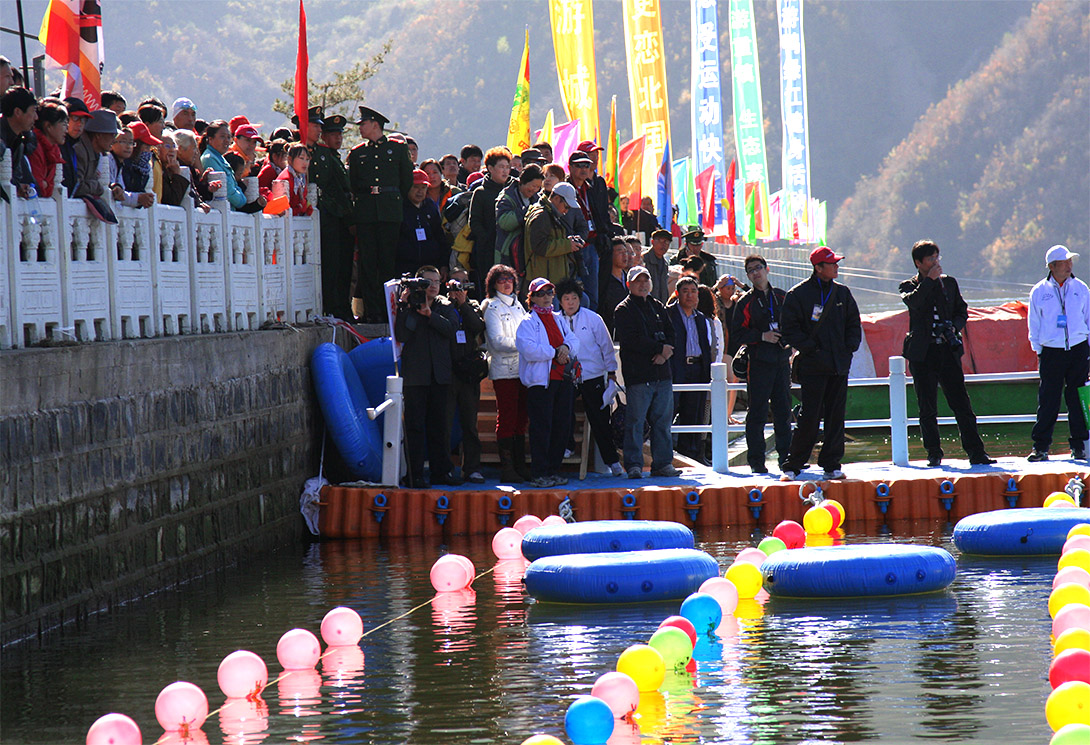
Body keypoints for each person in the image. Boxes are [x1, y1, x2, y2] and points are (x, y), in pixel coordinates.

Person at [900, 240, 996, 466]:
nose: (936, 262)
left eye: (937, 257)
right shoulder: (908, 286)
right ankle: (934, 453)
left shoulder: (950, 283)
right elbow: (914, 303)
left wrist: (953, 327)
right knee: (927, 406)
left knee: (961, 403)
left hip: (947, 351)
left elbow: (962, 310)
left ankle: (976, 452)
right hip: (923, 354)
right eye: (931, 259)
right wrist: (930, 281)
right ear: (918, 262)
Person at [779, 246, 862, 481]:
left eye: (836, 262)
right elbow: (789, 330)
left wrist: (848, 348)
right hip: (813, 366)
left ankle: (831, 464)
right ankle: (793, 465)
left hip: (838, 366)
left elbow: (854, 325)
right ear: (818, 268)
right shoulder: (798, 295)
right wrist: (811, 348)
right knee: (810, 417)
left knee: (836, 416)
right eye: (832, 263)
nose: (836, 266)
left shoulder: (843, 293)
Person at [394, 265, 462, 487]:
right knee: (414, 427)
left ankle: (440, 472)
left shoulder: (445, 305)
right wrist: (406, 307)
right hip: (415, 376)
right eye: (427, 282)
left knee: (439, 426)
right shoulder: (409, 305)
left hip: (439, 376)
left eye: (436, 282)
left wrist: (430, 315)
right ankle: (414, 474)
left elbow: (451, 329)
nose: (432, 286)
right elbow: (402, 334)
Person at [348, 105, 413, 323]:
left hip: (389, 211)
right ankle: (372, 311)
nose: (360, 128)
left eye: (363, 124)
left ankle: (388, 311)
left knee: (387, 263)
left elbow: (406, 181)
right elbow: (355, 184)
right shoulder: (358, 154)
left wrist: (391, 201)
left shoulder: (397, 149)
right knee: (368, 263)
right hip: (366, 212)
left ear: (375, 124)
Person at [614, 265, 680, 479]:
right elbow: (631, 339)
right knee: (635, 422)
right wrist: (659, 348)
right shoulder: (623, 309)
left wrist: (665, 353)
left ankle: (662, 464)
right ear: (629, 284)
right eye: (637, 281)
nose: (642, 284)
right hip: (639, 376)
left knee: (662, 422)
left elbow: (672, 334)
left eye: (645, 280)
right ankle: (633, 465)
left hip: (663, 374)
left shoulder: (658, 306)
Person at [556, 277, 625, 476]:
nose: (570, 302)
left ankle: (613, 462)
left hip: (592, 375)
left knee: (601, 420)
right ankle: (566, 447)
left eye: (574, 298)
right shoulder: (554, 320)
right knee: (563, 412)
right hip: (565, 376)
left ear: (580, 299)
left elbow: (607, 347)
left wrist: (611, 376)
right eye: (566, 298)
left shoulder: (593, 318)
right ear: (560, 301)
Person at [1027, 244, 1090, 461]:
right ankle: (1041, 447)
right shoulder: (1039, 291)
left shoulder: (1081, 288)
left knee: (1077, 399)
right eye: (1065, 261)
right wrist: (1039, 351)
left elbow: (1088, 318)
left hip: (1078, 348)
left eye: (1070, 261)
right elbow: (1033, 324)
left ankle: (1079, 445)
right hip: (1051, 351)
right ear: (1052, 266)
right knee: (1048, 400)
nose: (1070, 265)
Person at [731, 254, 793, 474]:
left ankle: (787, 459)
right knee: (756, 413)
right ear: (747, 275)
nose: (755, 272)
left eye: (758, 268)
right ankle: (756, 462)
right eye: (750, 270)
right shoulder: (746, 302)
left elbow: (795, 325)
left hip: (782, 361)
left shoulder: (783, 297)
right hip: (758, 363)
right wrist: (762, 336)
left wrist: (788, 341)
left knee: (784, 411)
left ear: (767, 269)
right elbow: (737, 334)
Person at [516, 277, 581, 487]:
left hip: (562, 379)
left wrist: (566, 349)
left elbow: (573, 340)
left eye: (549, 293)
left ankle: (553, 470)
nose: (546, 297)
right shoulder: (527, 322)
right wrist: (555, 352)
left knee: (561, 427)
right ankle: (539, 473)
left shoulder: (558, 318)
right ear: (532, 298)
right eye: (541, 294)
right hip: (540, 383)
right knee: (541, 428)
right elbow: (528, 349)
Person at [482, 264, 531, 482]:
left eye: (509, 279)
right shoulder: (491, 307)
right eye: (501, 280)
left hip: (523, 370)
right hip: (503, 371)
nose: (506, 283)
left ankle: (520, 466)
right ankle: (508, 468)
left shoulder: (520, 307)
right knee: (508, 418)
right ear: (493, 285)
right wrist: (527, 345)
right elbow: (497, 341)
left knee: (521, 419)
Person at [308, 114, 356, 321]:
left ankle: (341, 306)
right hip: (328, 216)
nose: (338, 138)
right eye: (332, 134)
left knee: (341, 266)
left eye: (340, 134)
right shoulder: (317, 154)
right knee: (330, 265)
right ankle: (333, 306)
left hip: (339, 216)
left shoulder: (330, 156)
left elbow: (344, 190)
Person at [667, 276, 713, 464]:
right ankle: (666, 455)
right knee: (669, 410)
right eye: (685, 291)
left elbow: (707, 347)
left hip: (697, 369)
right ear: (677, 294)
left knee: (693, 414)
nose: (690, 295)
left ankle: (690, 456)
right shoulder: (667, 314)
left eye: (693, 291)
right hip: (675, 369)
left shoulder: (701, 319)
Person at [446, 274, 486, 483]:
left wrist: (463, 304)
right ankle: (445, 467)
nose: (457, 287)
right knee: (444, 422)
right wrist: (451, 300)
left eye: (461, 283)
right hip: (448, 370)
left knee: (470, 423)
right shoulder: (441, 304)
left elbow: (478, 328)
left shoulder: (473, 306)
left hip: (468, 372)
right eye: (453, 282)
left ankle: (472, 467)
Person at [468, 146, 511, 293]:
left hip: (509, 249)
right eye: (501, 167)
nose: (505, 171)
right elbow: (474, 222)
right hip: (487, 251)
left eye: (507, 167)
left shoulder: (513, 191)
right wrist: (486, 238)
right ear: (490, 168)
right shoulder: (480, 193)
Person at [525, 181, 582, 287]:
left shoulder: (550, 213)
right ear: (556, 199)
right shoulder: (542, 216)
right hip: (543, 283)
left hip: (551, 279)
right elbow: (540, 247)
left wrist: (569, 242)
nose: (567, 211)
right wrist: (568, 245)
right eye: (566, 206)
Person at [495, 163, 543, 284]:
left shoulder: (537, 199)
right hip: (508, 254)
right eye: (532, 186)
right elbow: (504, 222)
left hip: (528, 255)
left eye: (538, 187)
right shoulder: (506, 197)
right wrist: (527, 212)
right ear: (522, 181)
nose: (534, 190)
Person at [394, 168, 446, 276]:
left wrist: (443, 264)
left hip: (431, 265)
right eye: (416, 187)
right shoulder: (399, 208)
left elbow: (440, 236)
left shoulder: (430, 206)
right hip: (405, 266)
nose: (420, 191)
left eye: (423, 187)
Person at [71, 109, 118, 200]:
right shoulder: (80, 151)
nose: (114, 140)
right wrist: (97, 186)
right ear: (98, 135)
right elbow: (77, 187)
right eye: (112, 135)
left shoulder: (96, 153)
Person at [1, 86, 37, 196]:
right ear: (17, 112)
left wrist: (18, 187)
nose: (36, 117)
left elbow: (15, 176)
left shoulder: (19, 142)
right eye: (33, 111)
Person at [28, 97, 67, 198]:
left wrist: (46, 184)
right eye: (63, 124)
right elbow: (39, 187)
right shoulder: (35, 147)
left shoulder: (54, 152)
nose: (66, 130)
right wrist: (44, 184)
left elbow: (49, 190)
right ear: (48, 126)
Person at [600, 236, 630, 334]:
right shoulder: (603, 282)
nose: (624, 255)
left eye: (625, 252)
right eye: (620, 252)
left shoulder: (631, 279)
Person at [274, 143, 313, 216]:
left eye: (307, 159)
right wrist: (301, 208)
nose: (305, 163)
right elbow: (284, 210)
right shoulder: (285, 179)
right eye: (301, 158)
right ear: (290, 159)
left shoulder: (299, 178)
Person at [643, 228, 672, 305]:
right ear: (652, 242)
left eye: (667, 242)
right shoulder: (644, 259)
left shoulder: (665, 263)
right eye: (661, 241)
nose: (664, 245)